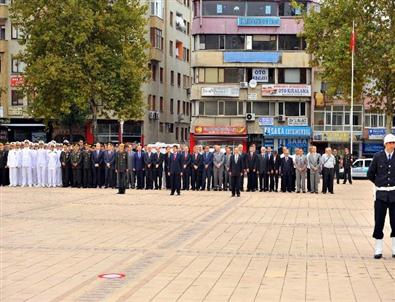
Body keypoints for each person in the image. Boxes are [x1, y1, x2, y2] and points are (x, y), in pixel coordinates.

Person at [367, 133, 395, 259]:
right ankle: (378, 249)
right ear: (385, 144)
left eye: (394, 143)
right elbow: (370, 173)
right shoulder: (378, 156)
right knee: (379, 221)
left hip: (394, 194)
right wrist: (379, 183)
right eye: (390, 143)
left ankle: (394, 249)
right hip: (381, 194)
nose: (392, 145)